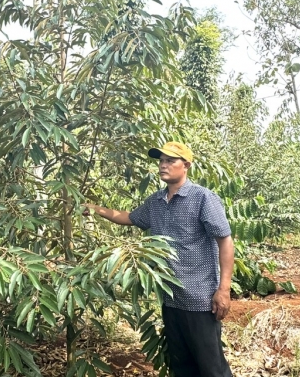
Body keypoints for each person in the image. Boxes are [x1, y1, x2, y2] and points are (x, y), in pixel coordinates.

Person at [85, 141, 234, 377]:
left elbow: (224, 241)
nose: (163, 165)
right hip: (170, 297)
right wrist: (97, 209)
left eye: (170, 160)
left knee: (211, 367)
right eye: (161, 161)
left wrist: (223, 289)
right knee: (182, 365)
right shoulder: (156, 201)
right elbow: (130, 217)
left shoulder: (203, 198)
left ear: (186, 165)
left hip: (199, 299)